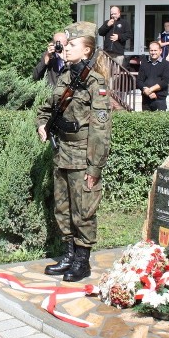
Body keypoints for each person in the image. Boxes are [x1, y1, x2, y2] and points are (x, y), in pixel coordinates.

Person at [36, 22, 112, 282]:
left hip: (82, 156)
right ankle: (69, 255)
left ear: (87, 51)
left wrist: (95, 167)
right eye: (65, 45)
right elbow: (45, 109)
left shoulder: (95, 83)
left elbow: (101, 130)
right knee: (63, 209)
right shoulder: (65, 78)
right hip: (62, 154)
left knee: (84, 211)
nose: (65, 49)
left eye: (71, 45)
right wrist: (42, 126)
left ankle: (82, 261)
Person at [136, 41, 169, 111]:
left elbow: (165, 82)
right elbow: (139, 81)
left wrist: (151, 90)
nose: (153, 52)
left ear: (160, 51)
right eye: (151, 50)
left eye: (155, 50)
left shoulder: (166, 65)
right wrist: (145, 91)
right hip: (146, 100)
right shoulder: (144, 64)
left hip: (159, 99)